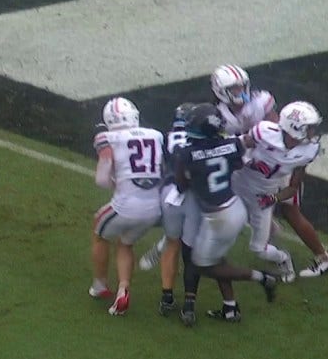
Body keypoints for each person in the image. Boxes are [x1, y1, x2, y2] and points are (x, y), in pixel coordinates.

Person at [173, 104, 280, 326]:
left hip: (219, 217)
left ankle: (262, 278)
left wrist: (194, 176)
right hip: (235, 208)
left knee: (202, 265)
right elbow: (247, 146)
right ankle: (231, 309)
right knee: (216, 257)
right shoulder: (231, 145)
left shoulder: (187, 154)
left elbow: (181, 186)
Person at [233, 101, 328, 281]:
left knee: (263, 241)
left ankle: (298, 257)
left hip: (264, 191)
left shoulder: (308, 151)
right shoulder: (265, 132)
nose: (313, 132)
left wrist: (273, 198)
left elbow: (293, 187)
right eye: (309, 128)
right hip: (239, 180)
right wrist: (244, 161)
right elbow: (237, 147)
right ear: (295, 128)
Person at [89, 97, 164, 316]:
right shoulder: (156, 135)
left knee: (99, 232)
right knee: (125, 243)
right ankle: (123, 289)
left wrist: (116, 182)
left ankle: (100, 285)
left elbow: (102, 180)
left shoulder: (106, 137)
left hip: (126, 205)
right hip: (154, 207)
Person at [147, 102, 205, 320]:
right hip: (193, 195)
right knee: (191, 250)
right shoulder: (202, 136)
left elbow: (160, 166)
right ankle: (189, 304)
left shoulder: (166, 136)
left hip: (169, 194)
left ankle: (167, 296)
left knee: (172, 242)